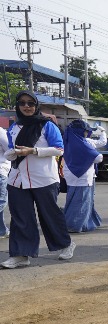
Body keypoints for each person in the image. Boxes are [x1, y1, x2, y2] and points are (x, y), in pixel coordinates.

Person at [1, 90, 75, 269]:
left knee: (49, 215)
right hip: (17, 179)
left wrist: (33, 151)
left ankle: (66, 244)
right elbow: (10, 150)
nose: (26, 106)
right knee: (20, 218)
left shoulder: (46, 126)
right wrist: (13, 154)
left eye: (30, 103)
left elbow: (59, 150)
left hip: (44, 179)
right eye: (22, 103)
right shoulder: (14, 128)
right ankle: (21, 255)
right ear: (17, 106)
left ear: (36, 106)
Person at [62, 120, 103, 233]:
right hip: (83, 176)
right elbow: (98, 158)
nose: (87, 133)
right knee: (81, 202)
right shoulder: (81, 142)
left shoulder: (68, 140)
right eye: (86, 131)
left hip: (72, 175)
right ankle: (75, 225)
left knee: (72, 200)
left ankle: (79, 222)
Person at [0, 126, 9, 239]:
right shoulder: (1, 132)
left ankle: (2, 230)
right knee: (1, 202)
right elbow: (10, 150)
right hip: (1, 170)